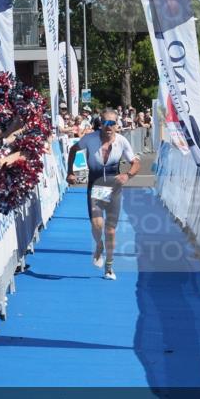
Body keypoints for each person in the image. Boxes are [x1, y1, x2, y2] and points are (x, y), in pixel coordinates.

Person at [67, 108, 141, 280]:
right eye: (105, 123)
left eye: (112, 123)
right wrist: (70, 172)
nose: (108, 126)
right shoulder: (90, 139)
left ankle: (109, 267)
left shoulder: (122, 141)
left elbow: (135, 163)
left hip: (114, 188)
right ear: (100, 124)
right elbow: (72, 150)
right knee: (97, 225)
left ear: (117, 125)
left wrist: (127, 175)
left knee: (111, 230)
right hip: (96, 186)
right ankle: (98, 245)